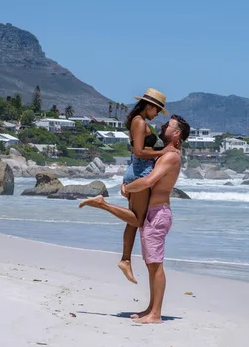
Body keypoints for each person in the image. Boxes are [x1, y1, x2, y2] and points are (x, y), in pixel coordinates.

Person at [79, 114, 191, 324]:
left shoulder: (171, 156)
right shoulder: (165, 153)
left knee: (155, 265)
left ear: (176, 134)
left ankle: (155, 314)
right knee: (151, 264)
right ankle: (151, 308)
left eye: (168, 125)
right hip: (153, 214)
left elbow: (149, 181)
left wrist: (127, 188)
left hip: (158, 214)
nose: (164, 126)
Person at [118, 88, 176, 284]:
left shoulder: (139, 121)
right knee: (137, 220)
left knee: (135, 220)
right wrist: (163, 153)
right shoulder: (139, 121)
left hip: (138, 171)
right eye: (157, 110)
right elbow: (139, 152)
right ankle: (102, 204)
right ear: (149, 106)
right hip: (140, 172)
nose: (157, 114)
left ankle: (126, 260)